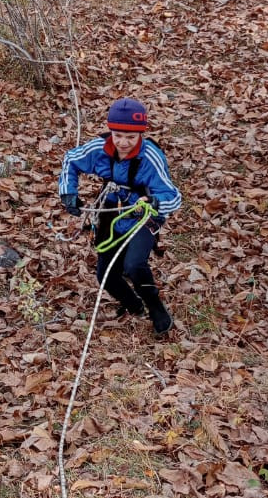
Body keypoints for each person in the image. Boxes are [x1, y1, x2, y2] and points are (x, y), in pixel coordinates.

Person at [59, 97, 181, 335]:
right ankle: (133, 305)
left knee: (134, 265)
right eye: (118, 135)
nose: (123, 143)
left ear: (140, 135)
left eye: (131, 137)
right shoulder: (99, 149)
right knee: (105, 275)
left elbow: (173, 197)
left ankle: (155, 306)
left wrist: (154, 202)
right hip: (111, 211)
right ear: (111, 131)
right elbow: (71, 160)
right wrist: (68, 194)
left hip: (143, 216)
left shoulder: (151, 157)